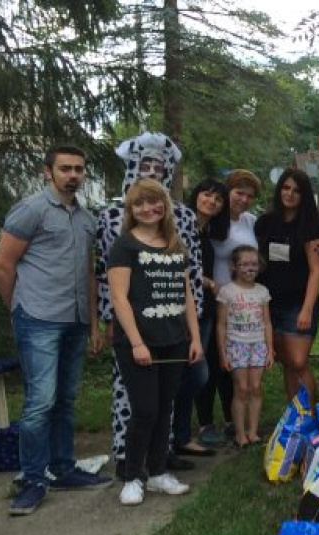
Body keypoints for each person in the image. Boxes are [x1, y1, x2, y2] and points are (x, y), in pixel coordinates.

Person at [0, 145, 109, 515]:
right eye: (65, 168)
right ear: (48, 172)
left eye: (78, 169)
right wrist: (19, 308)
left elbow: (88, 273)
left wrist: (93, 322)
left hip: (75, 319)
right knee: (40, 401)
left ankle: (62, 469)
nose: (73, 175)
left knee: (65, 400)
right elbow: (2, 265)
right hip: (38, 317)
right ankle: (32, 480)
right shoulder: (31, 210)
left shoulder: (86, 218)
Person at [96, 132, 204, 475]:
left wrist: (193, 326)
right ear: (133, 166)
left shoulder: (183, 217)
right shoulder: (111, 217)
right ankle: (127, 456)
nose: (153, 171)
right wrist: (108, 317)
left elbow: (191, 272)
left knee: (165, 397)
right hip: (133, 324)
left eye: (159, 166)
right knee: (132, 394)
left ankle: (161, 455)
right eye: (146, 165)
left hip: (172, 323)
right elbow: (106, 275)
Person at [197, 169, 260, 446]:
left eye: (249, 195)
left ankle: (232, 418)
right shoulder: (213, 221)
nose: (243, 199)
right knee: (210, 361)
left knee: (230, 363)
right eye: (238, 193)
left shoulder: (250, 221)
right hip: (212, 299)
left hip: (241, 303)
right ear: (228, 192)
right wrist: (211, 284)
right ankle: (205, 422)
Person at [256, 168, 319, 404]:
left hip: (297, 304)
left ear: (304, 195)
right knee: (287, 362)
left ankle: (309, 413)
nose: (290, 194)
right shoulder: (265, 223)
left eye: (296, 190)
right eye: (286, 188)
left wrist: (306, 309)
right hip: (268, 304)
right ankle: (295, 413)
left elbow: (316, 270)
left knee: (298, 361)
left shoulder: (312, 227)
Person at [173, 179, 226, 456]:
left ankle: (180, 435)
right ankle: (174, 435)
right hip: (182, 309)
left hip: (203, 311)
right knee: (192, 373)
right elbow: (179, 265)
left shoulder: (206, 231)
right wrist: (207, 282)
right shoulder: (180, 225)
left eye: (218, 199)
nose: (211, 201)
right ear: (196, 195)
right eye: (207, 195)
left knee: (194, 374)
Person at [216, 246, 273, 448]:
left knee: (256, 388)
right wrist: (223, 353)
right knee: (241, 388)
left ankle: (253, 432)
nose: (250, 268)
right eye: (245, 264)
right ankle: (240, 434)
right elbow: (221, 324)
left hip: (258, 344)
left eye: (254, 264)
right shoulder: (227, 291)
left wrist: (270, 350)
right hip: (236, 344)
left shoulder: (262, 291)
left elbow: (267, 322)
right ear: (234, 266)